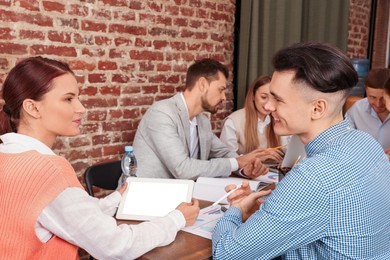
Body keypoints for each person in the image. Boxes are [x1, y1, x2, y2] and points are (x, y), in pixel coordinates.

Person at [0, 56, 200, 259]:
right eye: (68, 99)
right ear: (32, 107)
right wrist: (177, 219)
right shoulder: (48, 169)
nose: (81, 108)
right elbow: (116, 246)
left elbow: (64, 211)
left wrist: (116, 198)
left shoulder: (8, 156)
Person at [212, 42, 390, 259]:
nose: (268, 107)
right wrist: (269, 211)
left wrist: (236, 211)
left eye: (278, 99)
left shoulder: (312, 177)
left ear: (317, 108)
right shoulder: (367, 144)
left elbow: (226, 254)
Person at [133, 58, 272, 180]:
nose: (224, 97)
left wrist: (245, 167)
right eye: (220, 89)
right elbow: (182, 168)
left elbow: (222, 152)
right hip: (147, 198)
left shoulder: (202, 121)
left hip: (184, 196)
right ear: (203, 84)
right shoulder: (162, 113)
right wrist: (237, 162)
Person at [220, 75, 289, 155]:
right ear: (253, 96)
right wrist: (258, 157)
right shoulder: (233, 122)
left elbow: (288, 149)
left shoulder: (279, 119)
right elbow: (227, 157)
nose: (269, 104)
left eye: (274, 98)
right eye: (263, 97)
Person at [345, 68, 390, 156]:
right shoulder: (356, 110)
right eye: (372, 97)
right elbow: (344, 139)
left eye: (383, 98)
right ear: (366, 90)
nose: (378, 104)